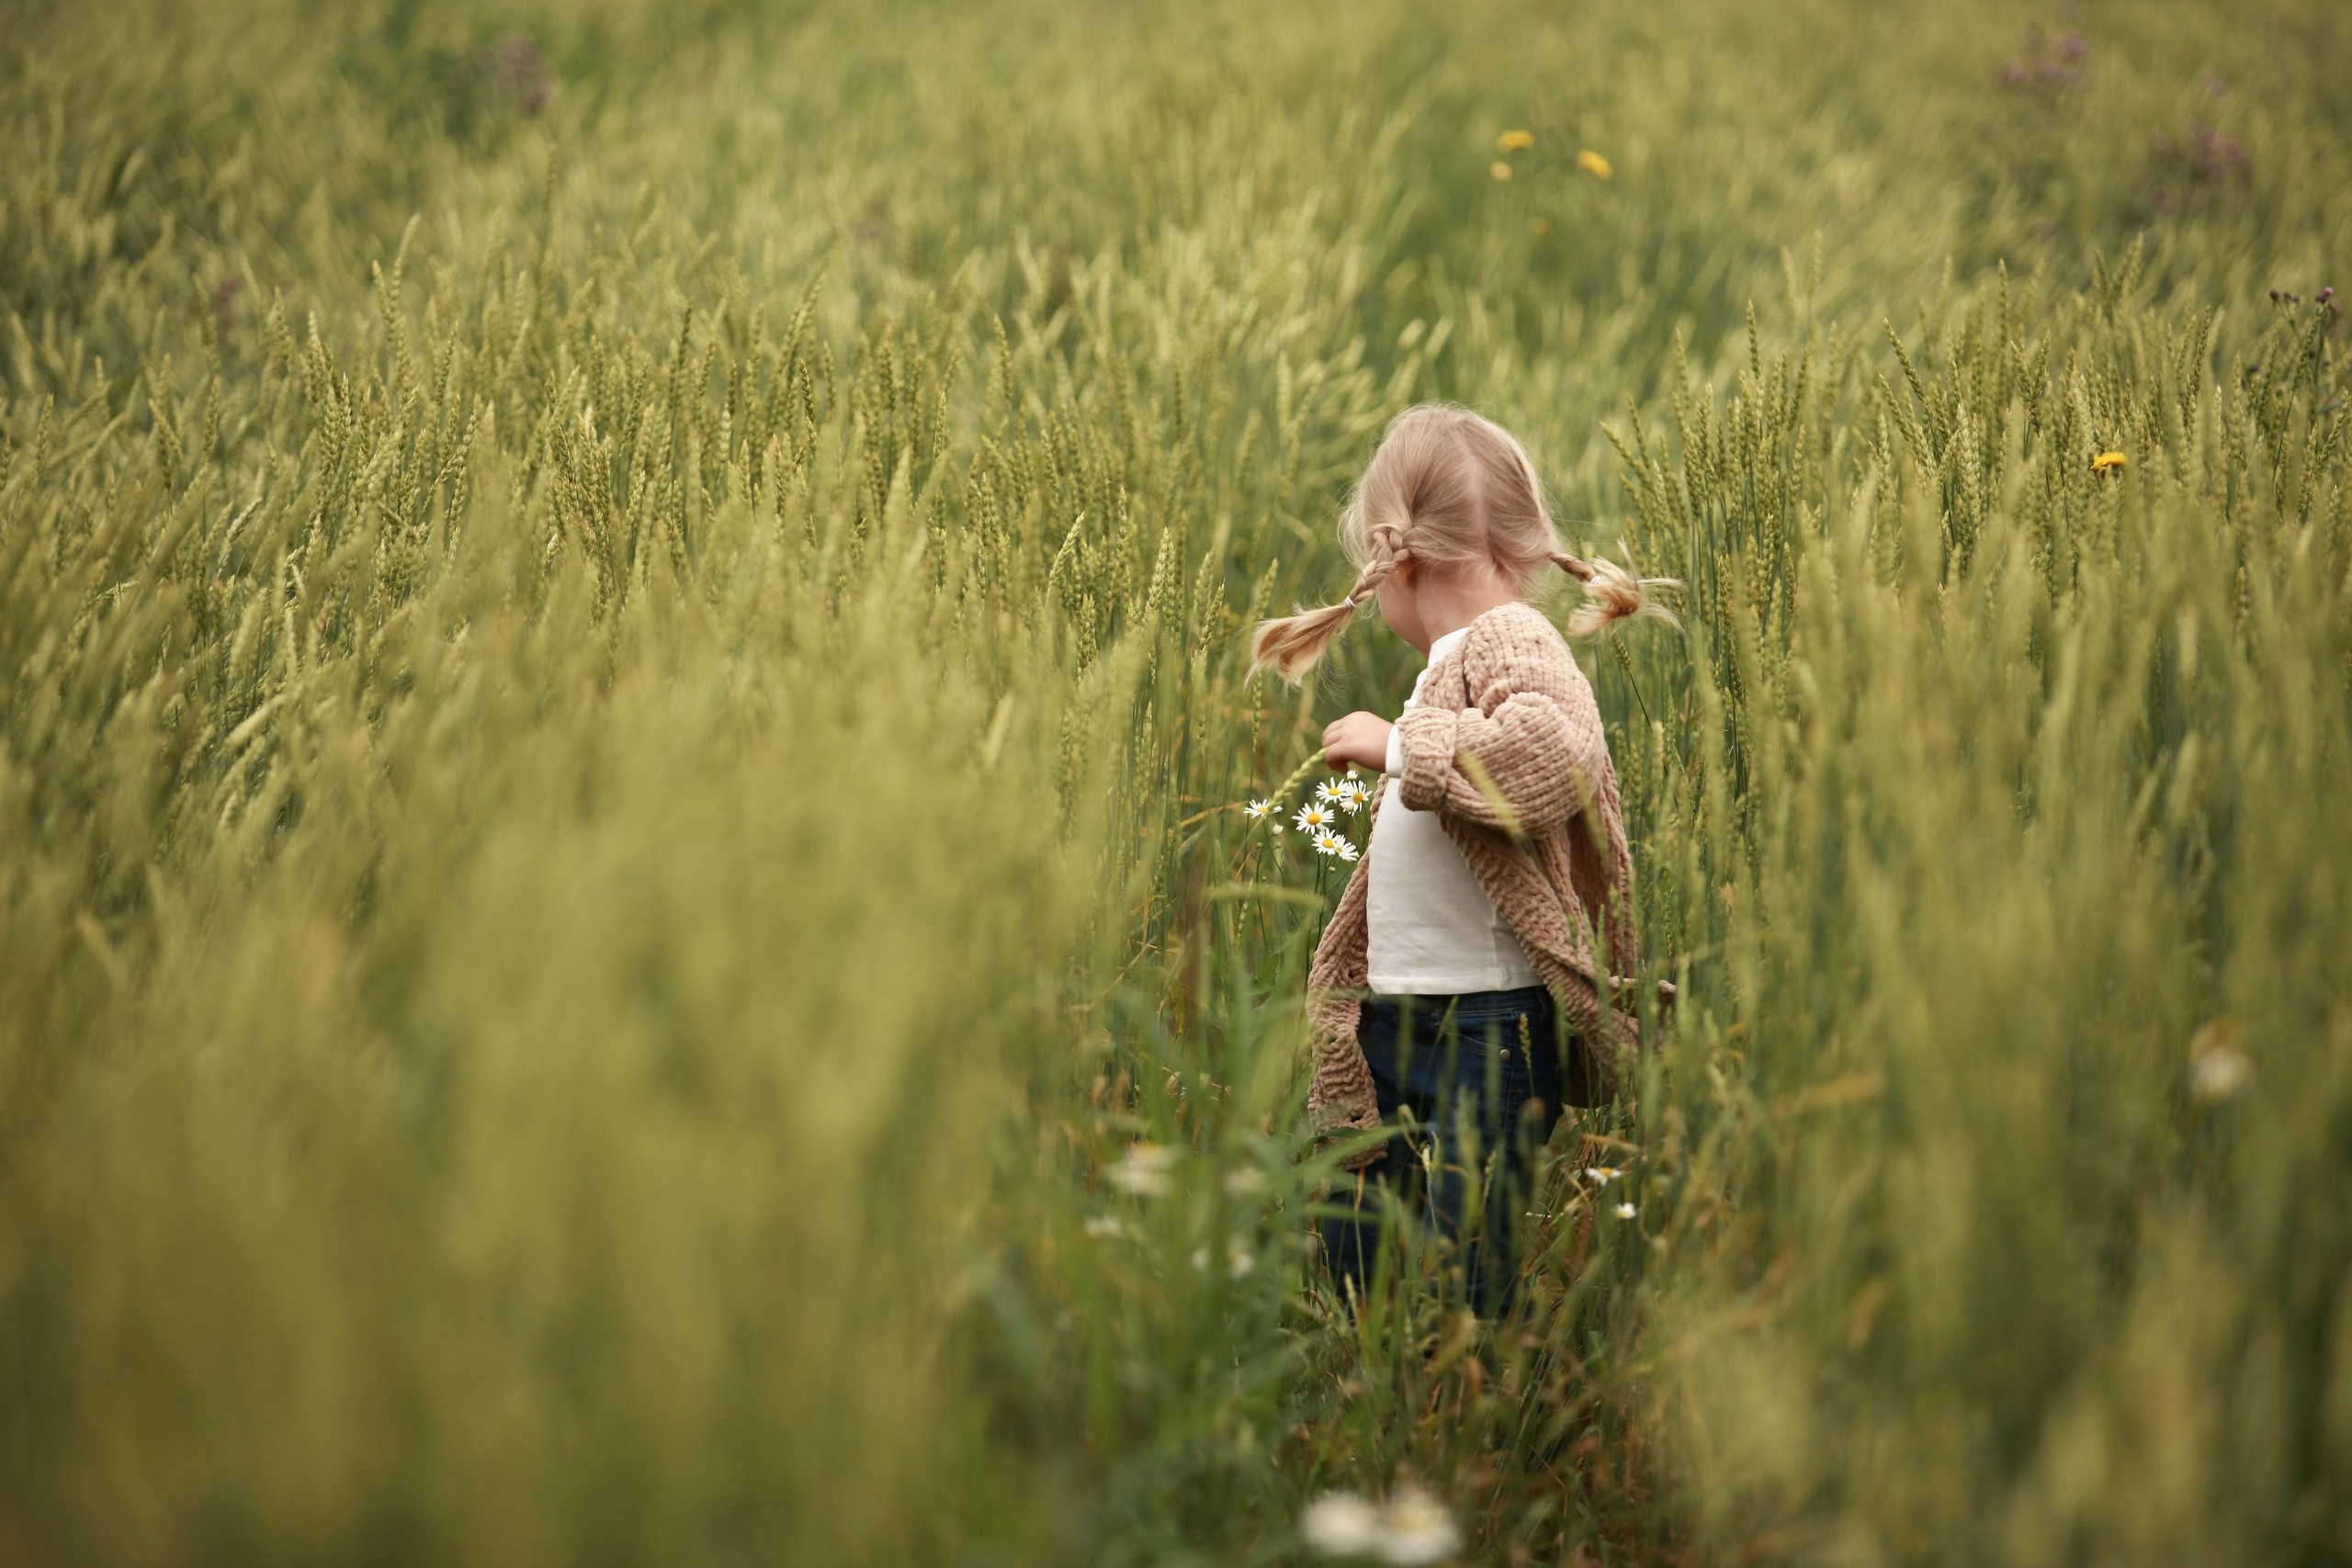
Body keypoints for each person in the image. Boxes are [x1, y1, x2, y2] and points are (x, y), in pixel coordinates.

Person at [1250, 403, 1675, 1315]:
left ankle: (1464, 1419)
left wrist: (1400, 748)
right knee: (1361, 1226)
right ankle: (1396, 1392)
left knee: (1465, 1265)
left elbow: (1548, 756)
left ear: (1392, 556)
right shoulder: (1455, 658)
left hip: (1485, 1028)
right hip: (1405, 1018)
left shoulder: (1511, 640)